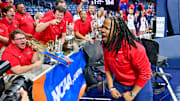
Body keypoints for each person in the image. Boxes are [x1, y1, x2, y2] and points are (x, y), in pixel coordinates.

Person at [101, 16, 153, 101]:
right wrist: (111, 88)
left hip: (140, 84)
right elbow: (107, 67)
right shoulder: (106, 45)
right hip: (120, 84)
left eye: (106, 28)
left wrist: (133, 93)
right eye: (102, 27)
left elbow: (145, 73)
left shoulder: (134, 48)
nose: (102, 30)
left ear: (117, 32)